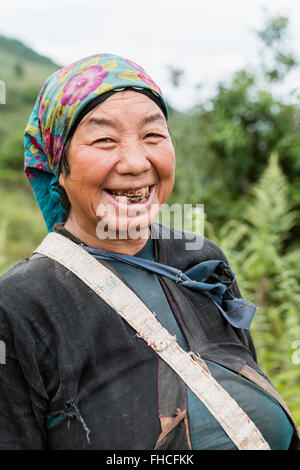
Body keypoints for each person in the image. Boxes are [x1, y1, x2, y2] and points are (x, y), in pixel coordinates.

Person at [0, 53, 299, 450]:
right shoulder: (21, 304)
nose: (136, 162)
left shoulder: (200, 258)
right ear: (59, 164)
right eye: (104, 139)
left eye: (153, 136)